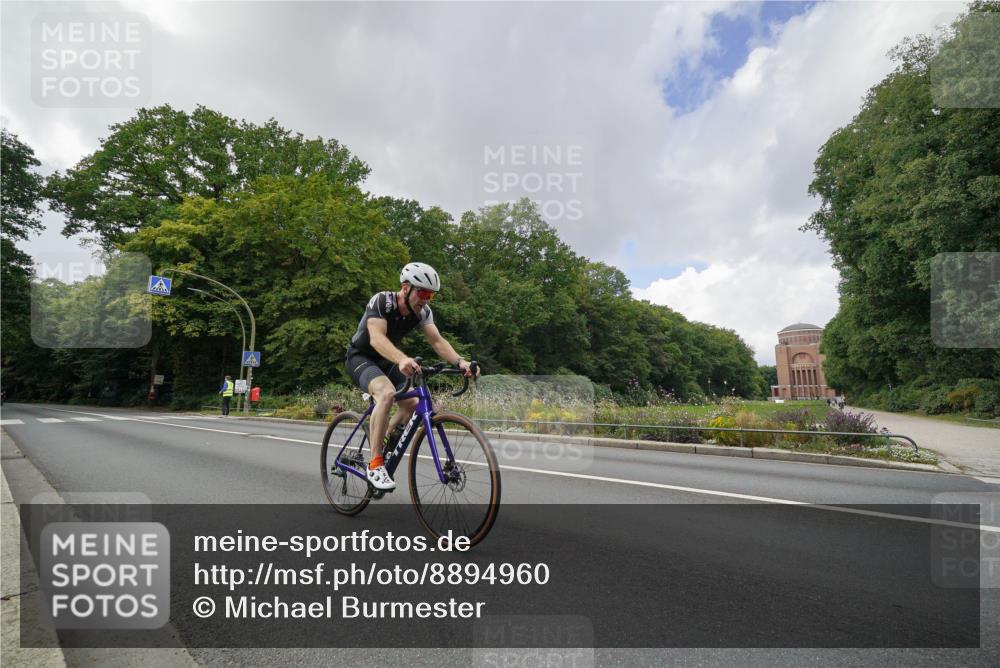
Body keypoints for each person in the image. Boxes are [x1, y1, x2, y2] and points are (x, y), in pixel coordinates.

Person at [345, 262, 477, 491]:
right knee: (386, 394)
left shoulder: (422, 312)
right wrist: (402, 359)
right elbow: (376, 338)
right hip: (361, 357)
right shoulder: (382, 302)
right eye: (423, 293)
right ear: (406, 288)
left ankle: (384, 437)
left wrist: (460, 362)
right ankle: (375, 464)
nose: (426, 299)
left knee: (412, 403)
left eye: (431, 295)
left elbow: (437, 341)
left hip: (388, 360)